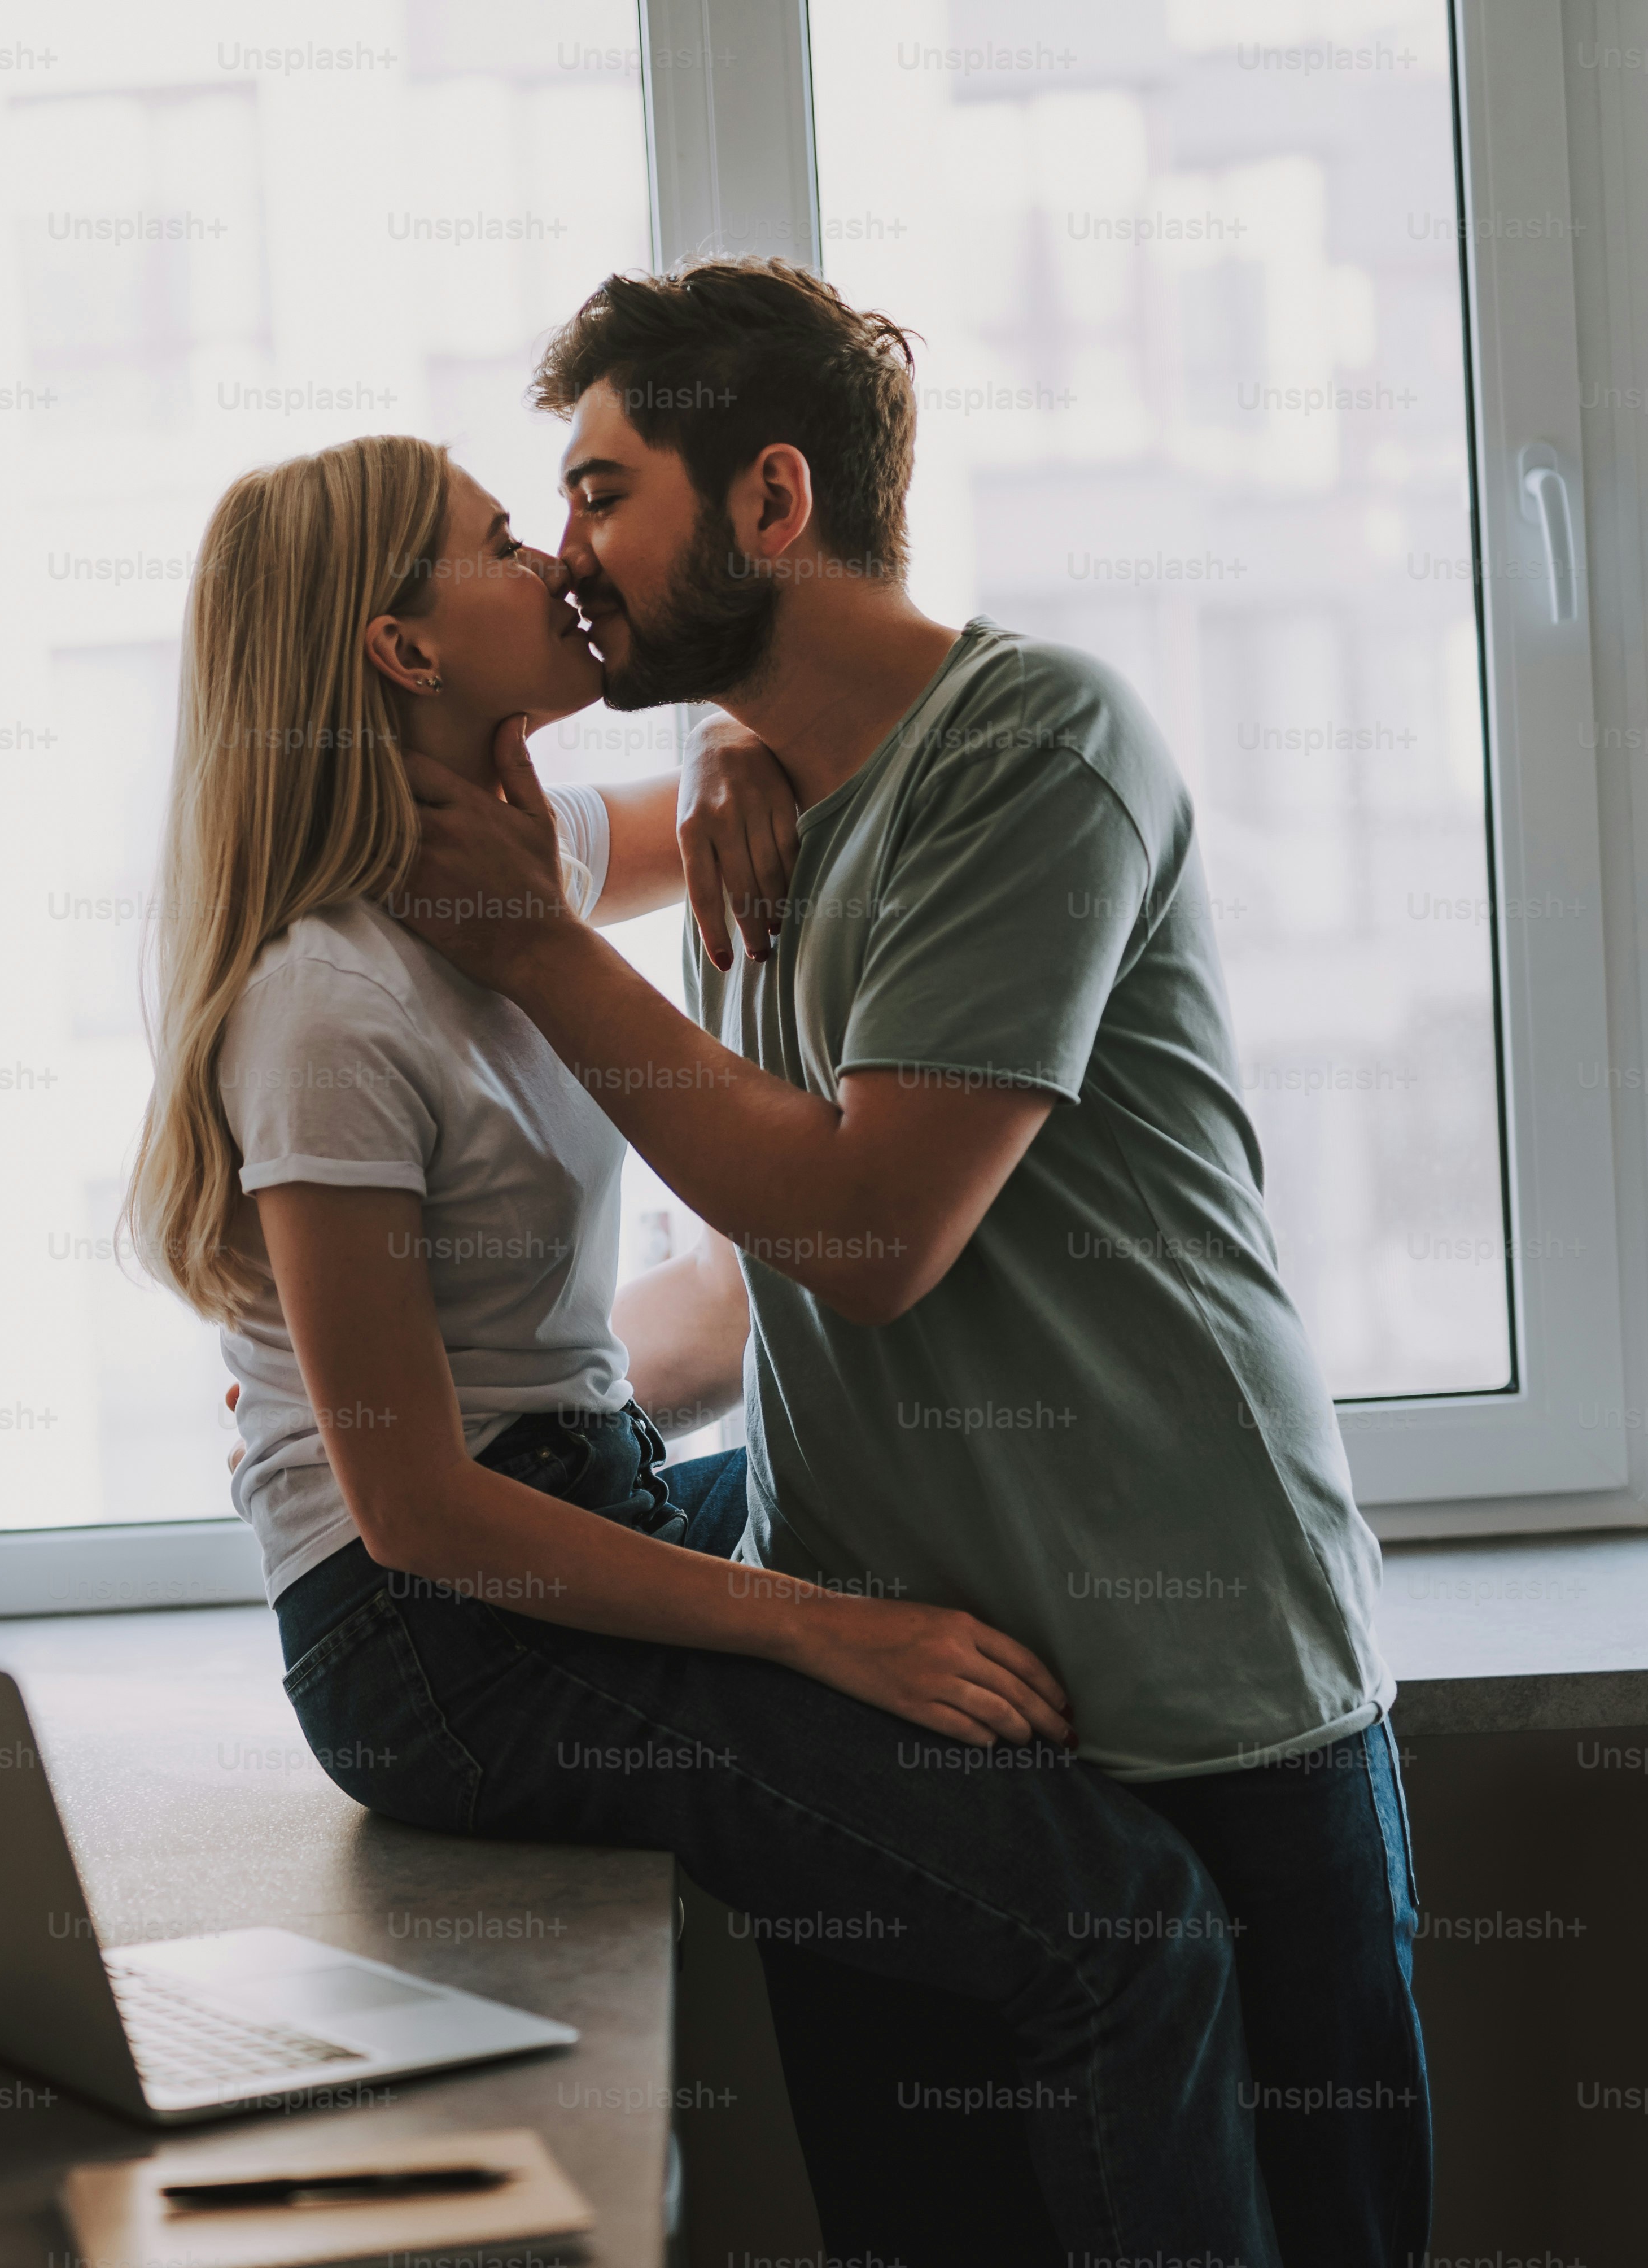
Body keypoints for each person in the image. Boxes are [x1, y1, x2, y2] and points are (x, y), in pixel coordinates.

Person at [128, 431, 1281, 2260]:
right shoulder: (324, 1004)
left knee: (922, 1519)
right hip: (432, 1634)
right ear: (404, 652)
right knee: (1122, 1931)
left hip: (576, 1497)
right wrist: (827, 1626)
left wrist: (738, 743)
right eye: (506, 542)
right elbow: (418, 1508)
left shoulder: (516, 859)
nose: (556, 564)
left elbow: (802, 760)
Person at [384, 260, 1430, 2268]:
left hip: (1203, 1699)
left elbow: (865, 1234)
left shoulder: (1041, 746)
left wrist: (536, 941)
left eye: (602, 496)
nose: (572, 555)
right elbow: (743, 1286)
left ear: (771, 506)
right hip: (919, 1729)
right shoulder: (750, 831)